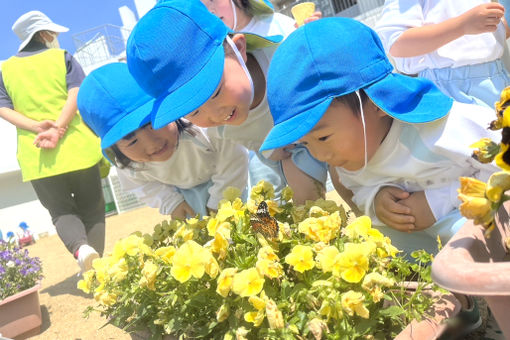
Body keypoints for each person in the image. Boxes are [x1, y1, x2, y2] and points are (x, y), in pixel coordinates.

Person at [260, 17, 499, 336]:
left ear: (376, 102)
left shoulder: (438, 129)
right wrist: (377, 200)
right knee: (381, 247)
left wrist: (435, 202)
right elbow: (360, 190)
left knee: (488, 233)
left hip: (470, 222)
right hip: (423, 235)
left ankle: (496, 301)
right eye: (305, 144)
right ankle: (456, 310)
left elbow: (501, 170)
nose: (318, 155)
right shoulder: (351, 154)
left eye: (323, 138)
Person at [126, 0, 328, 204]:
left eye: (215, 94)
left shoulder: (284, 56)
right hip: (277, 153)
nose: (214, 115)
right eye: (194, 112)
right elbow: (252, 140)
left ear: (238, 48)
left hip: (326, 131)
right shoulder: (219, 128)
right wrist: (270, 148)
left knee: (310, 193)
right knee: (261, 209)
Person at [0, 11, 105, 272]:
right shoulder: (62, 57)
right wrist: (59, 128)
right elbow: (76, 93)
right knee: (92, 207)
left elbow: (3, 108)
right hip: (77, 145)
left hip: (38, 153)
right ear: (44, 34)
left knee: (61, 211)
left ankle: (81, 250)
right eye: (53, 33)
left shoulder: (4, 69)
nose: (55, 37)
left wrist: (38, 126)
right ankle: (97, 271)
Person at [78, 63, 249, 219]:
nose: (151, 144)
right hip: (187, 196)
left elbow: (233, 158)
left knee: (255, 221)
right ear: (115, 150)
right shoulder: (128, 166)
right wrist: (171, 202)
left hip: (235, 179)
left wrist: (218, 201)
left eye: (152, 124)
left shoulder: (200, 122)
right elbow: (144, 187)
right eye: (131, 142)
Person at [375, 0, 510, 109]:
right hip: (451, 89)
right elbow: (397, 43)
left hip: (498, 78)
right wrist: (462, 25)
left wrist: (499, 26)